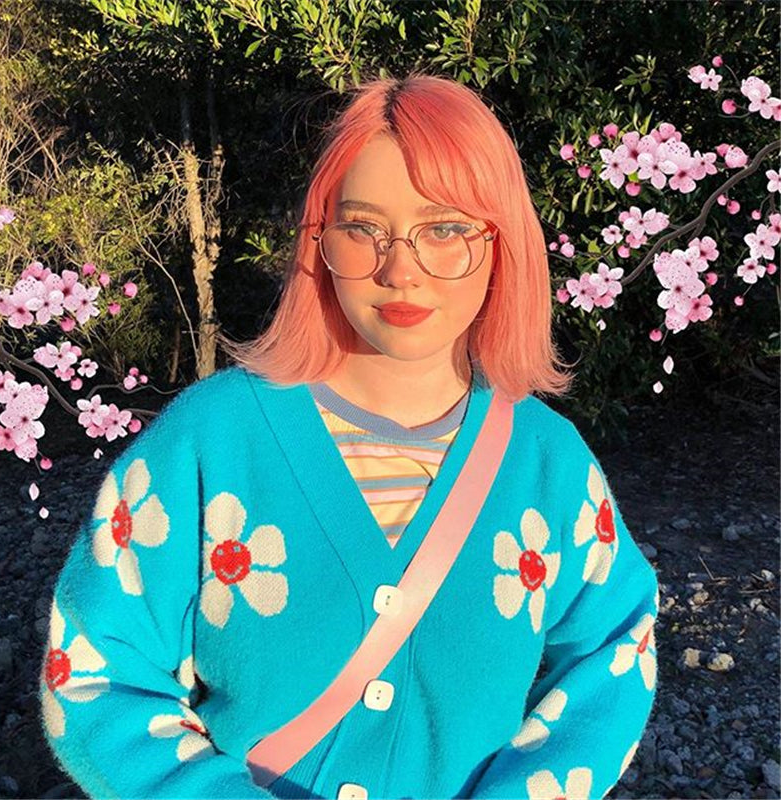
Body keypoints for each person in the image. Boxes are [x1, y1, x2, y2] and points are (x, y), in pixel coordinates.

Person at [39, 71, 660, 800]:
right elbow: (97, 672)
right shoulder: (210, 441)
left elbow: (613, 656)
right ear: (320, 238)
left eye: (445, 230)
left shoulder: (550, 467)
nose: (400, 270)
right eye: (362, 228)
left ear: (503, 243)